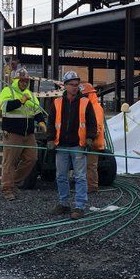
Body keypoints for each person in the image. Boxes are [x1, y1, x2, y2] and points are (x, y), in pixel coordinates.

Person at [47, 71, 97, 219]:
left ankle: (80, 206)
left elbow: (92, 123)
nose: (75, 87)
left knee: (80, 177)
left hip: (78, 145)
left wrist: (89, 138)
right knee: (61, 176)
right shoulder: (56, 103)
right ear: (65, 86)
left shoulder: (85, 102)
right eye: (72, 85)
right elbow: (51, 123)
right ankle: (64, 204)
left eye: (77, 85)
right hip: (61, 145)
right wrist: (50, 139)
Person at [0, 67, 46, 201]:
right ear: (15, 81)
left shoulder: (30, 94)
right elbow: (5, 107)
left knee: (32, 159)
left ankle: (13, 182)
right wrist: (21, 101)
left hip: (28, 134)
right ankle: (7, 188)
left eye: (26, 81)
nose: (24, 83)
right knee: (10, 162)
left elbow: (36, 110)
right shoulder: (7, 91)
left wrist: (41, 122)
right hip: (13, 133)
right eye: (22, 81)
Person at [80, 82, 105, 193]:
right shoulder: (89, 107)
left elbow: (97, 126)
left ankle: (92, 187)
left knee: (91, 165)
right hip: (88, 141)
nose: (83, 98)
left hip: (93, 143)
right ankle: (89, 186)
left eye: (85, 95)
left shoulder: (95, 108)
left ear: (90, 95)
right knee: (87, 165)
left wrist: (91, 138)